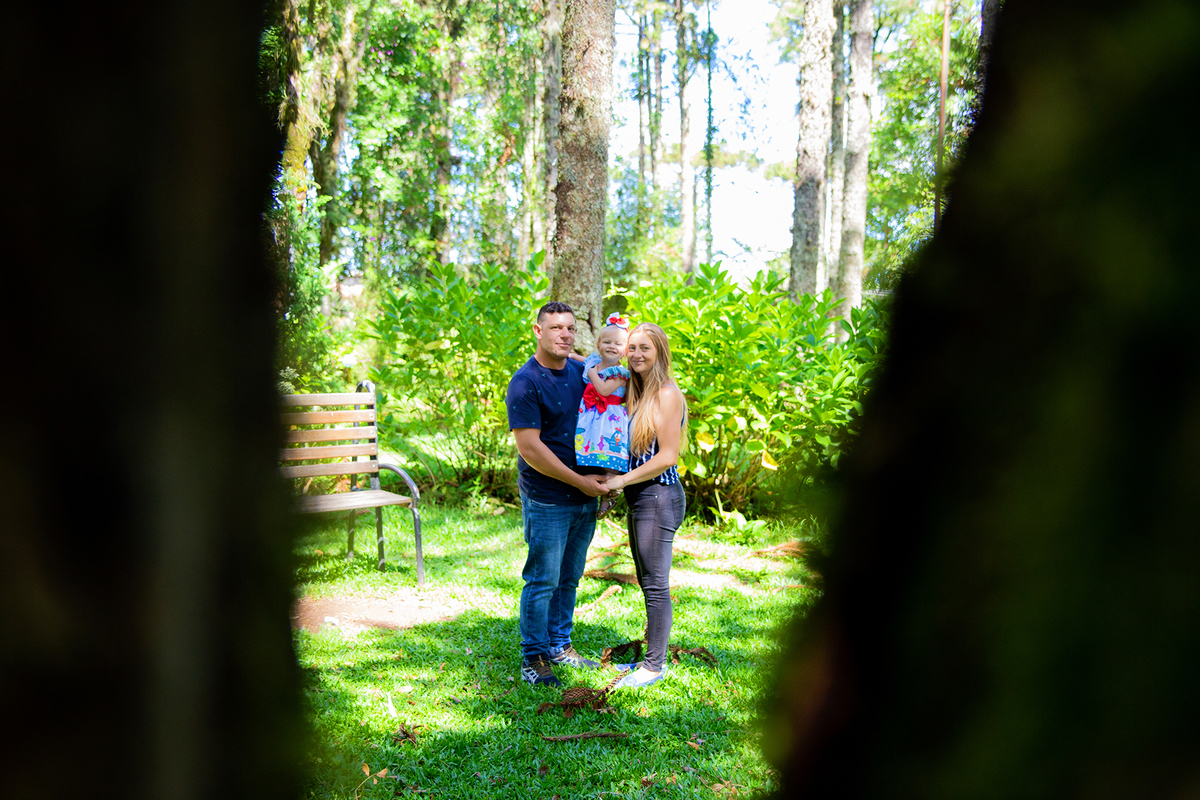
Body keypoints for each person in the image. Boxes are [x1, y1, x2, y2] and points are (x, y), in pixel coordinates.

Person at [505, 301, 609, 688]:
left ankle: (560, 645)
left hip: (585, 495)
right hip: (548, 496)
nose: (564, 335)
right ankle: (534, 657)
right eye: (555, 329)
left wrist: (598, 482)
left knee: (569, 577)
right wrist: (579, 482)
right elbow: (530, 449)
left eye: (569, 329)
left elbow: (604, 403)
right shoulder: (526, 382)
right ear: (537, 331)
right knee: (543, 578)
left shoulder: (581, 373)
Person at [601, 322, 688, 689]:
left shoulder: (666, 394)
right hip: (642, 497)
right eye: (631, 347)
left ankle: (653, 667)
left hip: (660, 498)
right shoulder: (635, 393)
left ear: (660, 353)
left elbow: (668, 456)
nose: (636, 355)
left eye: (645, 349)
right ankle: (651, 660)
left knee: (655, 585)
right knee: (647, 581)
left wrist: (619, 482)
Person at [574, 313, 632, 519]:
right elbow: (584, 361)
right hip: (591, 417)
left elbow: (604, 390)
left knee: (610, 455)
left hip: (610, 418)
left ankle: (611, 493)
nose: (611, 346)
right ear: (598, 344)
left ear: (625, 350)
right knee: (593, 452)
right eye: (607, 341)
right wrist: (571, 356)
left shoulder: (620, 373)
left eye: (618, 343)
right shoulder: (594, 362)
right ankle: (593, 489)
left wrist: (590, 373)